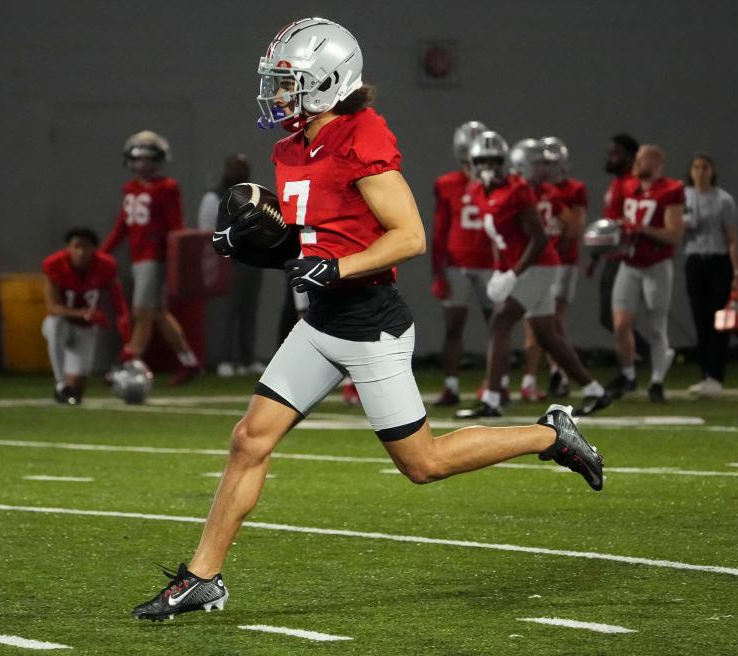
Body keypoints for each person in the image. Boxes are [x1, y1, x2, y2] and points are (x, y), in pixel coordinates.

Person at [131, 18, 604, 622]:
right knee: (249, 441)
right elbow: (309, 240)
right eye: (276, 83)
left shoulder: (361, 137)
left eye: (288, 83)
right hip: (323, 321)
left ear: (326, 82)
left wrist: (337, 267)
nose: (277, 95)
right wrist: (255, 245)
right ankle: (203, 578)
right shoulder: (290, 148)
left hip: (369, 323)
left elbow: (408, 237)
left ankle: (550, 434)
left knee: (423, 464)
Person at [456, 135, 610, 419]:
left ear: (506, 163)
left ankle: (491, 399)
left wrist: (512, 275)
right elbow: (500, 239)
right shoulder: (479, 191)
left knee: (500, 322)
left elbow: (539, 239)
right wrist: (500, 270)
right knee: (546, 335)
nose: (488, 166)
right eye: (482, 161)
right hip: (524, 267)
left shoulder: (517, 189)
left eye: (494, 161)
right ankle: (595, 392)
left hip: (538, 265)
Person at [101, 131, 201, 384]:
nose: (142, 164)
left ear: (158, 160)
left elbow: (176, 226)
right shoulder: (130, 189)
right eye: (137, 159)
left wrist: (175, 259)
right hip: (138, 258)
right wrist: (102, 255)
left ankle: (128, 363)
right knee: (157, 313)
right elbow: (122, 227)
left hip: (154, 257)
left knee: (141, 312)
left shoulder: (167, 188)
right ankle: (190, 363)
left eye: (148, 159)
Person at [607, 144, 684, 402]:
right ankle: (628, 376)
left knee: (656, 326)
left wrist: (641, 229)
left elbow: (673, 234)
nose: (637, 164)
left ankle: (657, 381)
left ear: (656, 162)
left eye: (642, 160)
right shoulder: (627, 186)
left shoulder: (671, 189)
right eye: (637, 159)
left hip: (656, 265)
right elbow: (616, 222)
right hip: (629, 264)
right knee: (620, 325)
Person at [430, 120, 493, 406]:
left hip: (491, 263)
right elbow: (440, 230)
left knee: (497, 327)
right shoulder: (447, 184)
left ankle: (494, 385)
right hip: (457, 264)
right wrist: (438, 272)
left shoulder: (502, 183)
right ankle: (451, 385)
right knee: (453, 327)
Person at [520, 137, 588, 400]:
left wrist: (553, 256)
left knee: (550, 321)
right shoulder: (531, 190)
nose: (544, 169)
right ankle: (536, 378)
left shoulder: (563, 191)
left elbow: (574, 228)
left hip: (556, 262)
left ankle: (555, 373)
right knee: (535, 323)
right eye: (540, 163)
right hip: (536, 262)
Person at [42, 227, 130, 404]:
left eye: (86, 247)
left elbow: (118, 299)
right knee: (55, 324)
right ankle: (60, 383)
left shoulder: (106, 265)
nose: (81, 252)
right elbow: (52, 307)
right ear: (68, 248)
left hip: (87, 328)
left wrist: (126, 334)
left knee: (76, 393)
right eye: (76, 246)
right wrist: (83, 313)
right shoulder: (54, 264)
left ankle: (66, 390)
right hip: (64, 322)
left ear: (95, 249)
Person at [198, 154, 266, 377]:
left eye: (243, 168)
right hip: (229, 261)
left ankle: (247, 358)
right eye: (235, 168)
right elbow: (208, 230)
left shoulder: (255, 193)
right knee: (228, 311)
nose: (239, 172)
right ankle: (225, 358)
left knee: (249, 310)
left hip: (253, 258)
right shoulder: (214, 196)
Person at [682, 153, 738, 397]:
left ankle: (716, 375)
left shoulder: (723, 199)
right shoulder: (683, 196)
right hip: (695, 260)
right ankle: (705, 374)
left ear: (712, 171)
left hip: (718, 261)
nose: (700, 172)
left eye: (705, 167)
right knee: (700, 318)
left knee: (719, 319)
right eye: (696, 167)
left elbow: (731, 239)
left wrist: (737, 270)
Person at [587, 134, 652, 363]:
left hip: (625, 258)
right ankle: (641, 354)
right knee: (610, 316)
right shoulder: (618, 183)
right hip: (612, 256)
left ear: (630, 157)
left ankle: (645, 354)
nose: (610, 158)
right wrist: (595, 258)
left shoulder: (633, 185)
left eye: (615, 153)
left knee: (615, 315)